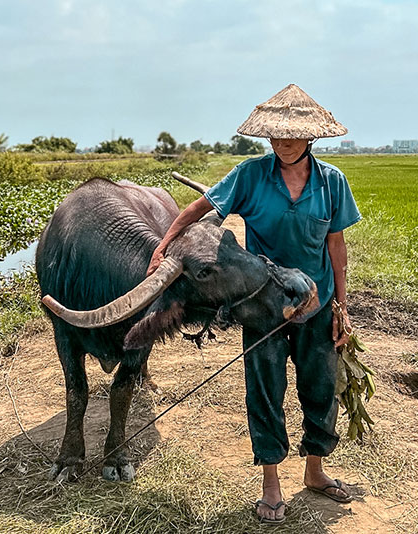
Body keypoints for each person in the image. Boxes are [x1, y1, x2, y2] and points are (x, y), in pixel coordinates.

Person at [147, 84, 361, 523]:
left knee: (320, 389)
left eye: (293, 136)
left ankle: (315, 472)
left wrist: (342, 305)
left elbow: (336, 245)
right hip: (263, 307)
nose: (283, 143)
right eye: (276, 136)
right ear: (267, 138)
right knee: (264, 392)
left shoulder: (333, 182)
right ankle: (271, 484)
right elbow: (197, 209)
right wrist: (164, 245)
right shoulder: (249, 175)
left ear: (311, 138)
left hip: (316, 306)